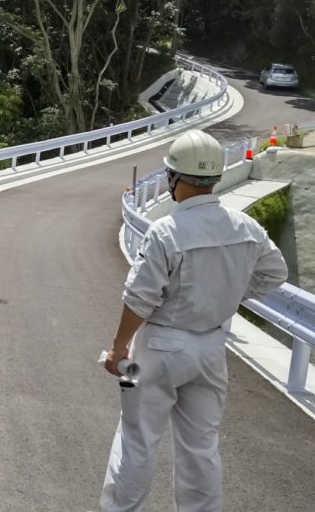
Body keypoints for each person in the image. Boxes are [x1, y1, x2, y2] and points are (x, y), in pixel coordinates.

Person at [100, 129, 288, 512]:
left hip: (158, 348)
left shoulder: (166, 231)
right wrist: (229, 294)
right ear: (216, 178)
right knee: (201, 447)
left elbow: (139, 298)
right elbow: (274, 274)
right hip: (210, 348)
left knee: (138, 439)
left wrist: (118, 349)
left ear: (173, 178)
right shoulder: (246, 228)